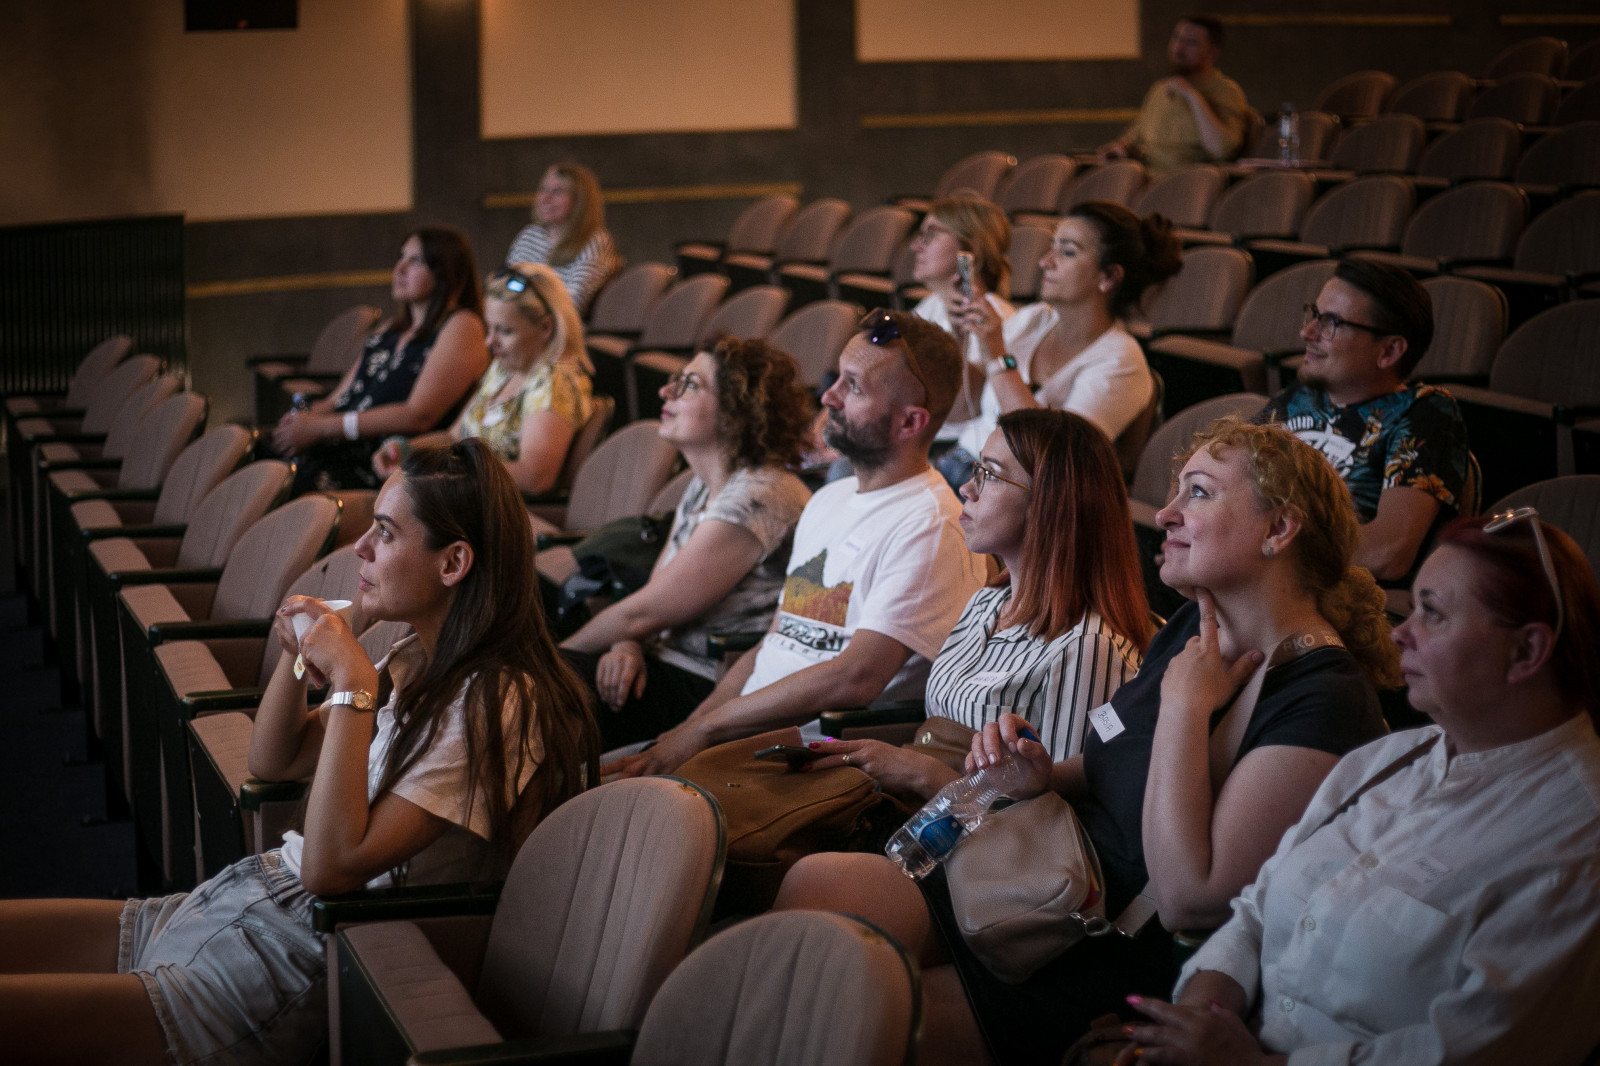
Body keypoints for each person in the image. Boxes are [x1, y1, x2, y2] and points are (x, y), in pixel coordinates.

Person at [775, 419, 1394, 1066]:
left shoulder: (1324, 701)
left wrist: (1184, 708)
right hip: (1045, 879)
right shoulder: (1195, 625)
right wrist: (1042, 776)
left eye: (1200, 493)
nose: (1165, 513)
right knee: (817, 892)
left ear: (1279, 530)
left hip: (1105, 942)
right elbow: (1109, 762)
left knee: (844, 1006)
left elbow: (1190, 899)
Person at [0, 440, 601, 1065]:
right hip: (242, 895)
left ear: (453, 563)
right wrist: (297, 657)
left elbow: (332, 868)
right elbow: (275, 760)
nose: (361, 547)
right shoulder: (419, 658)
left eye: (386, 532)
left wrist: (353, 683)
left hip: (285, 952)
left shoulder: (498, 702)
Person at [1120, 509, 1600, 1066]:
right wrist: (1194, 1023)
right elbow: (1255, 910)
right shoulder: (1390, 758)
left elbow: (1472, 1052)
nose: (1401, 631)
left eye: (1432, 613)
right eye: (1411, 607)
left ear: (1527, 651)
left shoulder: (1576, 844)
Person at [605, 309, 989, 778]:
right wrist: (688, 730)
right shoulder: (829, 499)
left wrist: (705, 732)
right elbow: (774, 640)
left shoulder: (930, 525)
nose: (828, 396)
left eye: (853, 387)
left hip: (810, 761)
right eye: (837, 378)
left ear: (910, 422)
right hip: (739, 737)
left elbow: (855, 677)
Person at [802, 409, 1151, 801]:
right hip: (918, 811)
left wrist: (924, 775)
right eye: (976, 469)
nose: (967, 488)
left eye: (990, 474)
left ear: (1049, 503)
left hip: (960, 833)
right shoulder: (987, 602)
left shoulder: (1088, 648)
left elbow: (1051, 818)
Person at [560, 336, 814, 748]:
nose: (665, 391)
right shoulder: (706, 484)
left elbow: (644, 612)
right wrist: (627, 645)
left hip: (700, 686)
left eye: (690, 385)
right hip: (659, 660)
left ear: (736, 411)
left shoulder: (760, 495)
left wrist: (547, 661)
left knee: (537, 692)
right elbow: (655, 597)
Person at [1257, 256, 1470, 583]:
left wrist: (1255, 541)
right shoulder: (1299, 397)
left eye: (1330, 322)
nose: (1307, 331)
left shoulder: (1423, 414)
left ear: (1389, 352)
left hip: (1328, 599)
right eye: (1314, 314)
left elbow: (1387, 553)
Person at [947, 201, 1180, 479]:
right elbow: (959, 411)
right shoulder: (1034, 319)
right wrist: (961, 336)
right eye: (1052, 246)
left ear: (1108, 276)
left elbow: (1052, 458)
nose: (1045, 261)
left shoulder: (1121, 361)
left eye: (1068, 252)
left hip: (1009, 489)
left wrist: (998, 358)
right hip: (960, 461)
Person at [275, 228, 490, 495]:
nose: (400, 268)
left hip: (383, 465)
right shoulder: (391, 329)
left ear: (445, 272)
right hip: (334, 449)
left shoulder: (463, 326)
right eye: (401, 257)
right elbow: (337, 399)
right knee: (256, 460)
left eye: (415, 261)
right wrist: (298, 423)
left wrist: (321, 428)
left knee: (281, 489)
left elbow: (417, 415)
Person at [373, 263, 593, 495]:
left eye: (505, 331)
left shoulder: (553, 380)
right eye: (490, 328)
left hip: (499, 510)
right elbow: (454, 437)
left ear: (546, 327)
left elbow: (534, 477)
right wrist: (406, 450)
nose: (489, 342)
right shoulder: (502, 369)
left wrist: (451, 474)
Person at [904, 195, 1020, 491]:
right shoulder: (930, 306)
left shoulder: (996, 320)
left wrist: (957, 338)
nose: (916, 246)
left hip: (952, 452)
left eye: (931, 235)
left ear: (970, 249)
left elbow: (958, 410)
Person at [1097, 15, 1249, 178]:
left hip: (1190, 181)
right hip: (1146, 178)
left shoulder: (1226, 91)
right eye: (1177, 38)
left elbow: (1221, 149)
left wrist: (1193, 96)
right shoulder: (1160, 89)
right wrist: (1121, 147)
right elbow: (1136, 135)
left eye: (1191, 42)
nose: (1179, 48)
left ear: (1212, 52)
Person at [505, 162, 623, 314]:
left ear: (579, 201)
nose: (545, 198)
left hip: (558, 324)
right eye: (543, 190)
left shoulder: (594, 241)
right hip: (517, 319)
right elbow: (506, 289)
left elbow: (573, 303)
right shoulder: (529, 236)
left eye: (557, 192)